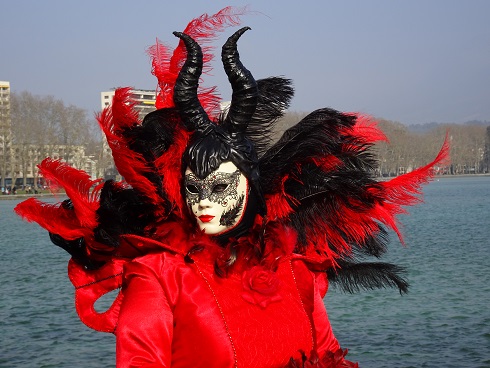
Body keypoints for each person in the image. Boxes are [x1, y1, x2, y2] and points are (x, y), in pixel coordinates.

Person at [15, 7, 448, 368]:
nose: (204, 201)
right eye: (194, 186)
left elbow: (327, 353)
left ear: (250, 185)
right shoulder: (160, 275)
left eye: (220, 186)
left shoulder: (293, 268)